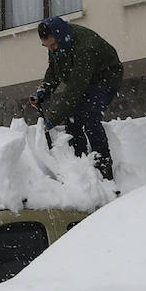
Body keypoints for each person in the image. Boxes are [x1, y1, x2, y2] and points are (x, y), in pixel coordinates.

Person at [30, 16, 124, 181]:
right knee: (72, 118)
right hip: (84, 80)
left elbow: (75, 88)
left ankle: (104, 166)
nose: (51, 49)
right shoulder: (57, 45)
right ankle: (78, 162)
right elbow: (54, 71)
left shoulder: (85, 47)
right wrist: (44, 90)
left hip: (105, 78)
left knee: (89, 116)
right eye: (47, 46)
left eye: (52, 45)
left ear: (60, 36)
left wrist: (52, 119)